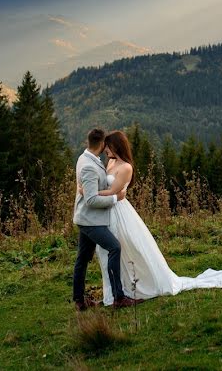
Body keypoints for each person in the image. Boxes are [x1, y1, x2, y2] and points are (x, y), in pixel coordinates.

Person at [86, 130, 222, 305]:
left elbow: (114, 192)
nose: (105, 149)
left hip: (119, 211)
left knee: (129, 247)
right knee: (109, 251)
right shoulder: (111, 162)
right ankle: (115, 292)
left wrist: (90, 193)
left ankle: (134, 287)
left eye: (108, 146)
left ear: (116, 146)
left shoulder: (126, 167)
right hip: (107, 210)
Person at [71, 128, 143, 310]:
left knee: (83, 257)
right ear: (102, 144)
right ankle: (118, 297)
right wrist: (115, 197)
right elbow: (92, 199)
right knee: (114, 247)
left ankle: (80, 300)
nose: (106, 150)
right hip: (91, 219)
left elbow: (91, 189)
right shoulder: (89, 164)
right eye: (106, 146)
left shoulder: (85, 158)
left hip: (91, 217)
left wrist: (87, 191)